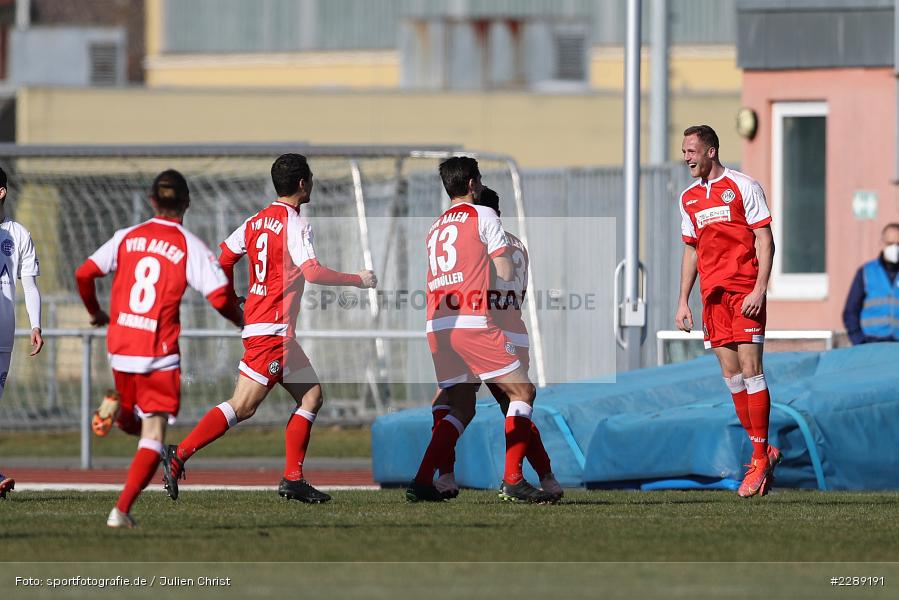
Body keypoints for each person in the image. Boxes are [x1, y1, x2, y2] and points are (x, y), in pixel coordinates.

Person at [161, 153, 376, 504]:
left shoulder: (256, 220)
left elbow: (224, 257)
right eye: (311, 177)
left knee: (311, 396)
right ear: (303, 183)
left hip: (267, 329)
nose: (313, 182)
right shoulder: (295, 222)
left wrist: (233, 300)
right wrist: (358, 280)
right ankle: (179, 454)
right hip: (272, 332)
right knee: (243, 406)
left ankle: (293, 478)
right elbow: (312, 272)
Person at [75, 170, 243, 527]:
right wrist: (240, 320)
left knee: (138, 422)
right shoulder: (188, 245)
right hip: (158, 353)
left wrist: (96, 313)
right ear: (187, 203)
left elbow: (84, 274)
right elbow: (219, 297)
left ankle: (120, 410)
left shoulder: (126, 237)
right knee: (154, 435)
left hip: (121, 345)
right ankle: (121, 511)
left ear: (152, 201)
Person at [407, 157, 555, 504]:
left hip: (438, 325)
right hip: (477, 324)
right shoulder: (486, 219)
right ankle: (517, 479)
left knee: (459, 405)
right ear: (473, 184)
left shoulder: (435, 228)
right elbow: (505, 273)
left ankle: (427, 478)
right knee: (521, 395)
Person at [674, 125, 781, 498]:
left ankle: (759, 460)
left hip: (745, 292)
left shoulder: (744, 186)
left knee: (752, 371)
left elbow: (765, 240)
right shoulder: (688, 198)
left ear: (711, 151)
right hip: (713, 298)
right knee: (732, 377)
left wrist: (760, 289)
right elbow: (691, 251)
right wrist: (683, 300)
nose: (686, 158)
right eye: (684, 151)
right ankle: (765, 452)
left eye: (691, 151)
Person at [0, 167, 44, 500]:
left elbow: (28, 285)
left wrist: (35, 324)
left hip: (4, 334)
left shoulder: (17, 234)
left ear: (1, 192)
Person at [842, 223, 899, 344]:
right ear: (881, 244)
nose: (895, 248)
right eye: (890, 244)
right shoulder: (866, 272)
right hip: (871, 343)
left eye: (898, 244)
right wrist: (859, 341)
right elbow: (851, 311)